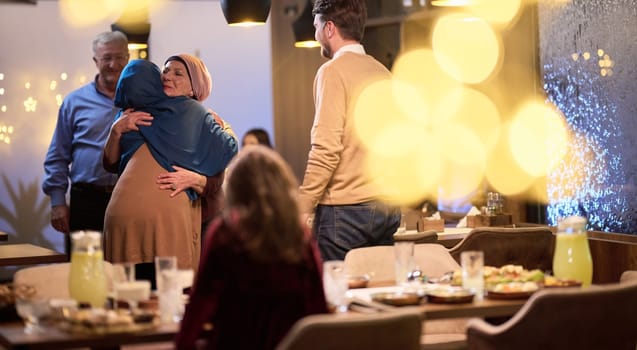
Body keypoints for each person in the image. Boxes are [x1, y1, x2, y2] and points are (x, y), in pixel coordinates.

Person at [176, 146, 328, 350]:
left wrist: (182, 345)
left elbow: (201, 302)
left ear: (235, 191)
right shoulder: (298, 235)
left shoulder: (224, 234)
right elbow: (317, 306)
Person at [102, 55, 237, 283]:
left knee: (161, 293)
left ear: (194, 86)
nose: (167, 77)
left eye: (178, 73)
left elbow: (217, 177)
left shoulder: (204, 118)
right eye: (165, 71)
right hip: (135, 218)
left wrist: (195, 179)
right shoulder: (134, 112)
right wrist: (115, 131)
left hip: (167, 221)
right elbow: (112, 164)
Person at [298, 0, 401, 261]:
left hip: (345, 212)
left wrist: (303, 206)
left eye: (317, 26)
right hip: (386, 206)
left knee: (337, 296)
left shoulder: (331, 72)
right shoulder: (383, 72)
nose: (315, 34)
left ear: (329, 28)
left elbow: (326, 149)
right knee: (377, 292)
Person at [42, 31, 129, 257]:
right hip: (86, 202)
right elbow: (57, 156)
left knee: (127, 272)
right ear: (95, 61)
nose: (113, 64)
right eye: (106, 58)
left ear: (128, 58)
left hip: (129, 199)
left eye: (119, 57)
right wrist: (58, 202)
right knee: (84, 271)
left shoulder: (142, 101)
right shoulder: (74, 101)